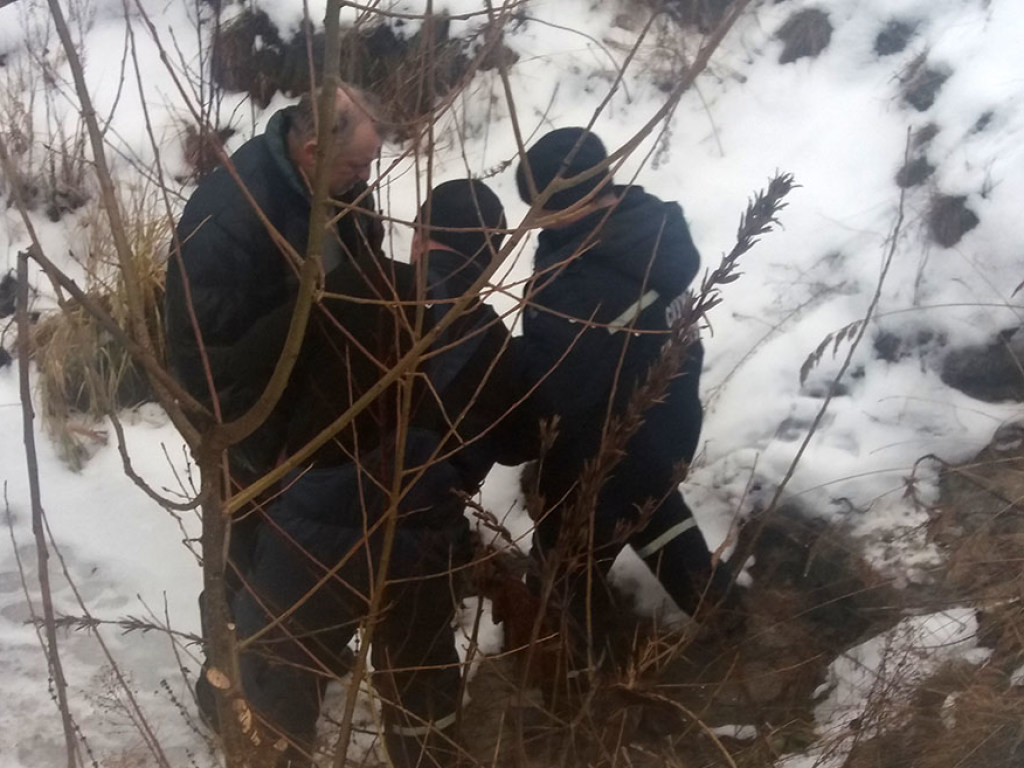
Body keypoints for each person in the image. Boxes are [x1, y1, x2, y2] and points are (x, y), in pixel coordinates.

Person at [232, 179, 532, 767]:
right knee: (424, 700)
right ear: (493, 256)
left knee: (277, 679)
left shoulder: (358, 288)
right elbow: (521, 444)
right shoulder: (499, 350)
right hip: (422, 544)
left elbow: (264, 385)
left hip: (310, 536)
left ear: (419, 236)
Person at [164, 84, 384, 727]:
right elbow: (207, 354)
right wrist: (312, 310)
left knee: (299, 549)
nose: (365, 178)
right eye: (356, 166)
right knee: (245, 559)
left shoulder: (332, 187)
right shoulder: (232, 214)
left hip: (308, 402)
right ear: (312, 151)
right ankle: (226, 693)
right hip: (247, 416)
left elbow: (358, 262)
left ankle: (290, 655)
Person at [514, 128, 741, 677]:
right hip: (667, 422)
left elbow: (558, 385)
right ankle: (728, 619)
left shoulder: (585, 281)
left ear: (574, 201)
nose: (533, 222)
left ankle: (589, 688)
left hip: (606, 443)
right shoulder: (647, 230)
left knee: (558, 575)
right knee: (655, 515)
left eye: (541, 209)